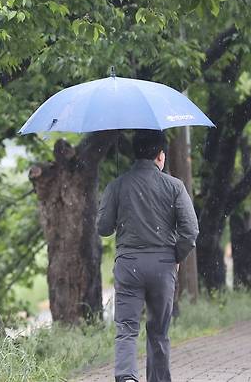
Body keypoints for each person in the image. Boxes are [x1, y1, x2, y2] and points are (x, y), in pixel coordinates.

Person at [97, 129, 199, 382]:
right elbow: (191, 231)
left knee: (126, 328)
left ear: (134, 154)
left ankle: (127, 377)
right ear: (160, 156)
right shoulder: (175, 186)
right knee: (159, 331)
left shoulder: (118, 185)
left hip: (129, 265)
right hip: (163, 265)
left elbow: (103, 228)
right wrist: (176, 256)